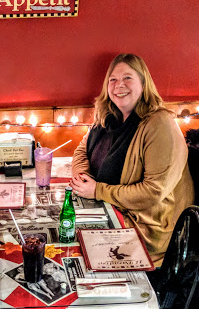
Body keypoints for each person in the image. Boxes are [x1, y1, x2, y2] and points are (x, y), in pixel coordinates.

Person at [71, 54, 194, 267]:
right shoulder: (108, 116)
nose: (119, 85)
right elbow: (81, 151)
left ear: (144, 84)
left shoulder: (159, 123)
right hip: (111, 208)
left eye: (128, 78)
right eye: (113, 79)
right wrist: (83, 178)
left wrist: (98, 191)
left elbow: (153, 192)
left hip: (147, 229)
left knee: (73, 243)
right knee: (65, 231)